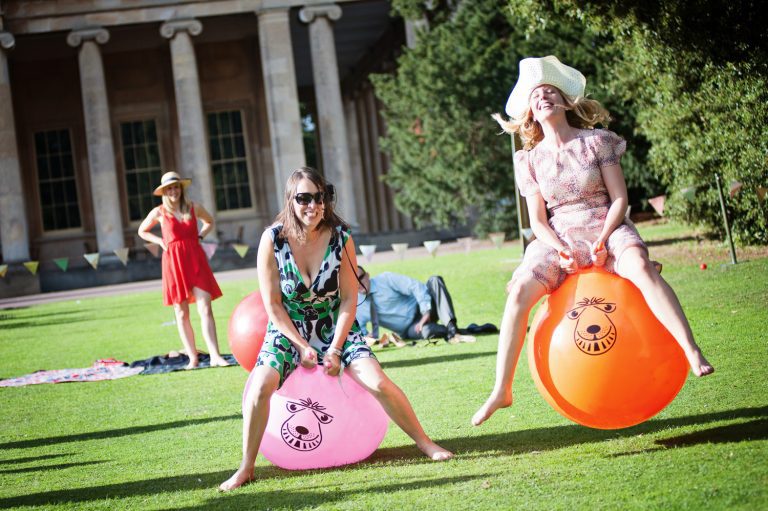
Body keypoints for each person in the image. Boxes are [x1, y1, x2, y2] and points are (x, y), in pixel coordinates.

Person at [472, 56, 714, 427]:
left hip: (606, 224)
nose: (544, 96)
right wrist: (559, 249)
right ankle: (501, 390)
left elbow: (620, 199)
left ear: (566, 102)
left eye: (551, 91)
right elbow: (538, 220)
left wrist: (603, 239)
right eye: (537, 95)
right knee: (519, 289)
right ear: (530, 113)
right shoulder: (528, 160)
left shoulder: (597, 142)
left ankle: (690, 349)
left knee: (639, 266)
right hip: (559, 236)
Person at [219, 167, 452, 492]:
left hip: (335, 326)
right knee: (259, 386)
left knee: (378, 381)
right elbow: (272, 305)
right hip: (288, 329)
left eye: (320, 197)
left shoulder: (341, 238)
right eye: (304, 198)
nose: (313, 205)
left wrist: (336, 348)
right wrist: (301, 346)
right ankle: (246, 467)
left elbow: (348, 299)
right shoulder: (272, 240)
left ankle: (426, 443)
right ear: (291, 200)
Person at [138, 171, 229, 370]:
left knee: (205, 308)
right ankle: (193, 358)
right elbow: (142, 230)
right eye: (169, 188)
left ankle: (215, 355)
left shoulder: (193, 207)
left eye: (176, 187)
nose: (173, 191)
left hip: (195, 259)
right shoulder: (159, 212)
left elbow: (209, 221)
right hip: (173, 262)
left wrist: (201, 236)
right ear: (164, 191)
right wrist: (160, 241)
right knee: (181, 313)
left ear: (181, 188)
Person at [355, 267, 477, 345]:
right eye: (353, 281)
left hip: (423, 308)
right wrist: (368, 338)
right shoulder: (357, 305)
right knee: (428, 331)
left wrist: (425, 312)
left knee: (435, 280)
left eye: (360, 278)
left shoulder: (386, 279)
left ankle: (451, 325)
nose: (358, 284)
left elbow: (415, 286)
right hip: (410, 328)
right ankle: (462, 331)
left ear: (367, 275)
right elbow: (361, 333)